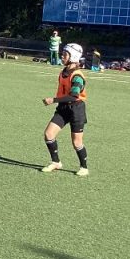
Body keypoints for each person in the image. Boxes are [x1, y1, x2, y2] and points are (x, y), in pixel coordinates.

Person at [41, 42, 89, 176]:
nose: (62, 56)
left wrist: (53, 100)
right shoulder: (64, 72)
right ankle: (55, 162)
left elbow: (74, 96)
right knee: (49, 134)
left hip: (76, 109)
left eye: (65, 54)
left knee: (76, 142)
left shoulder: (77, 76)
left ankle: (84, 167)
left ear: (73, 57)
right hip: (63, 108)